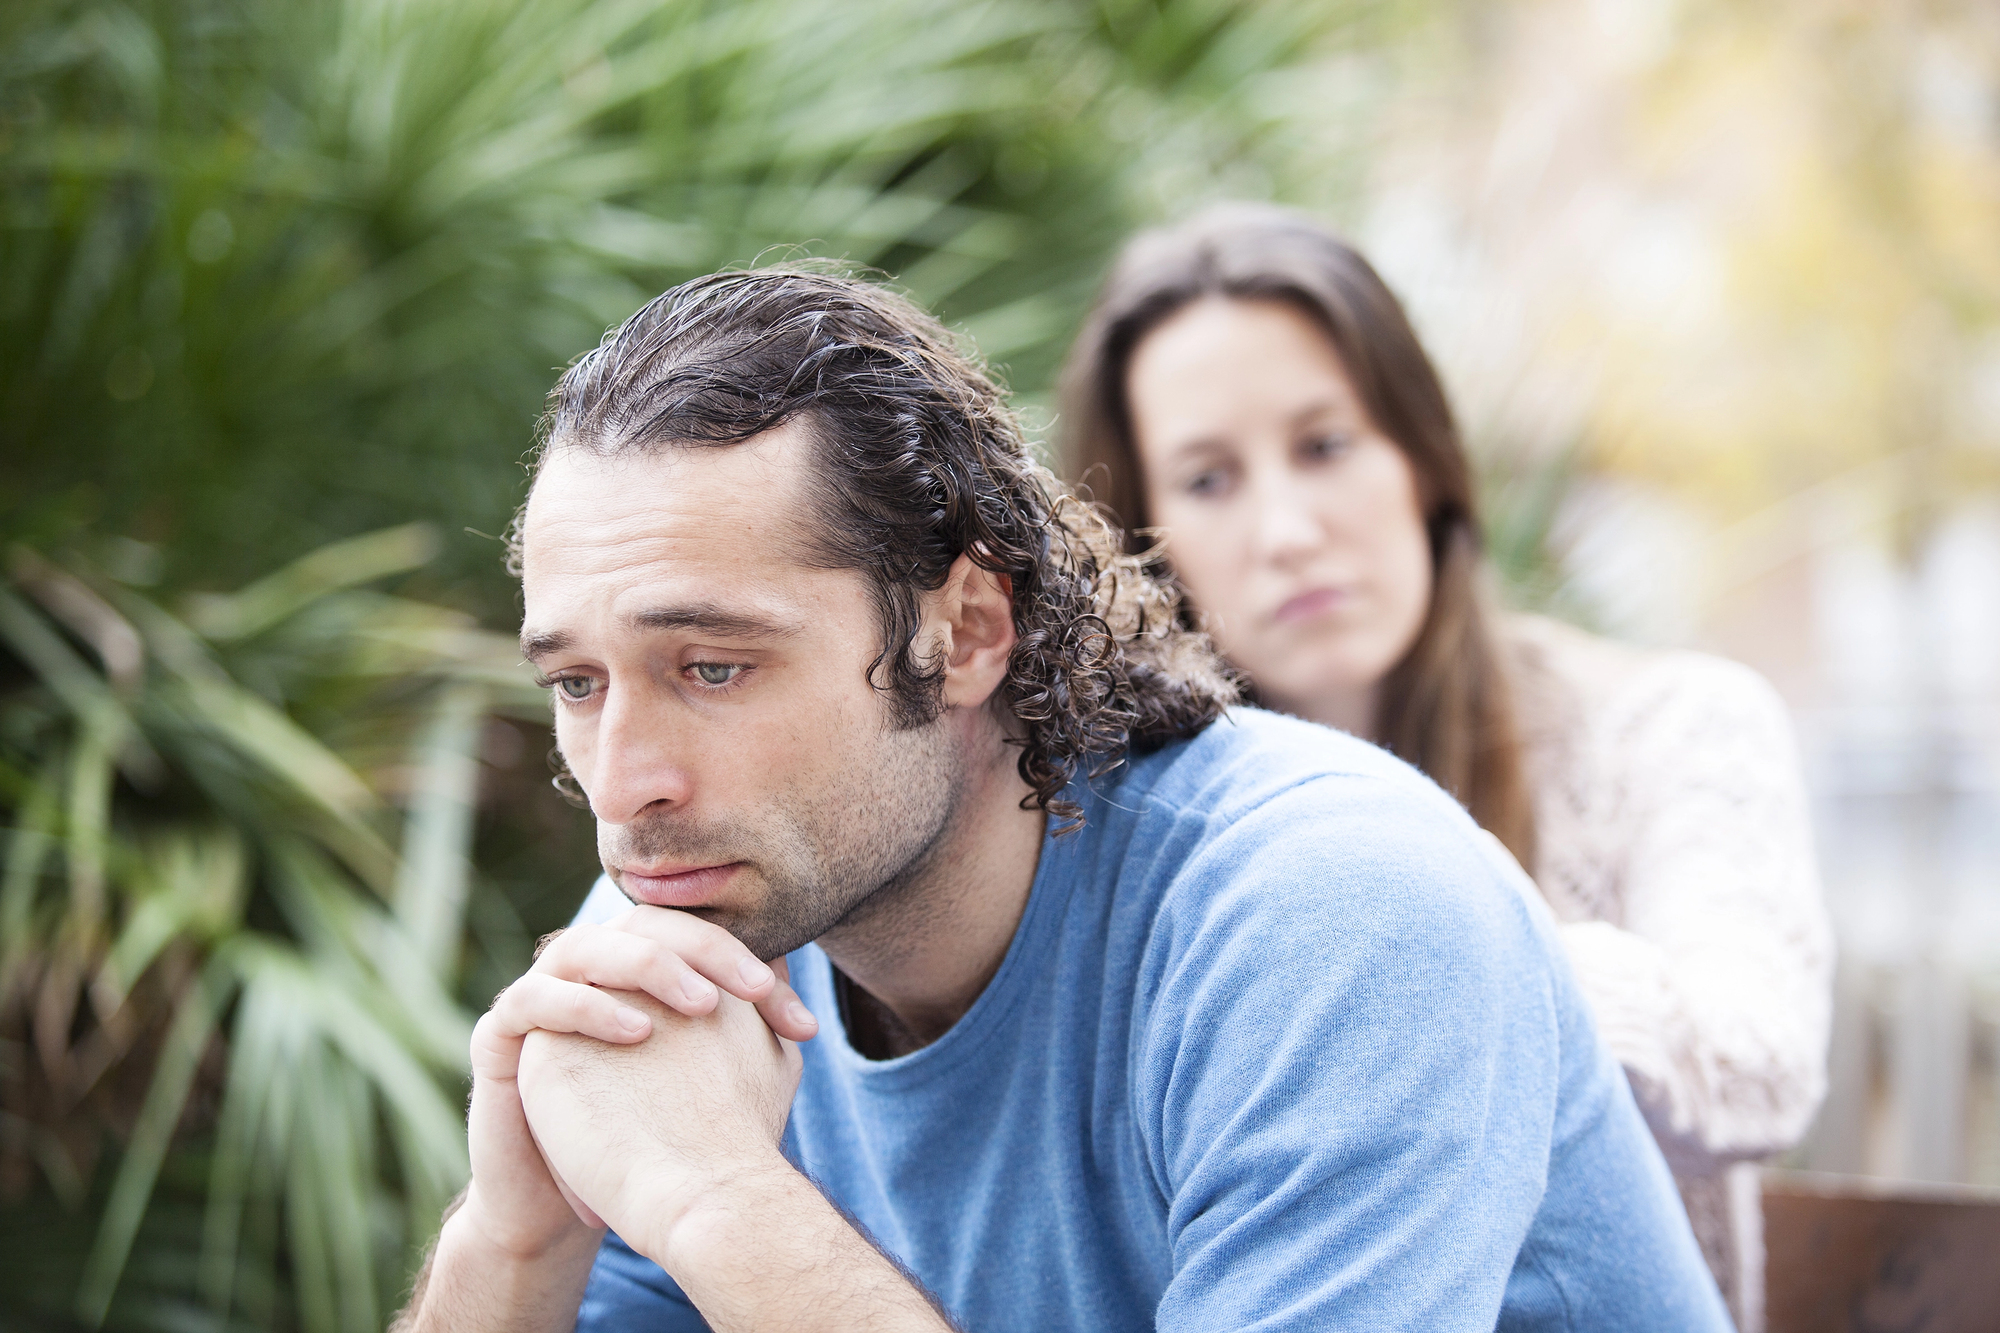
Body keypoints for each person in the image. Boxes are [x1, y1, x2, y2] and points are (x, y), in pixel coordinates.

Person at [392, 267, 1733, 1332]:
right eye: (577, 685)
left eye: (716, 666)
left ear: (970, 629)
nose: (626, 782)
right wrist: (514, 1239)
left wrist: (723, 1201)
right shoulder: (709, 908)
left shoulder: (1337, 917)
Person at [1057, 204, 1834, 1333]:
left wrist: (1431, 950)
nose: (1285, 529)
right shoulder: (1128, 815)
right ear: (1138, 534)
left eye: (1325, 446)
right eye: (1209, 480)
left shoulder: (1669, 725)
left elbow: (1753, 1064)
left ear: (1423, 458)